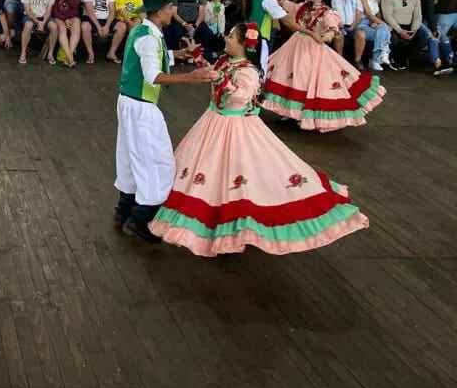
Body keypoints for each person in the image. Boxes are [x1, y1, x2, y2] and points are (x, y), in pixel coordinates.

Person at [148, 23, 369, 255]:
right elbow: (214, 74)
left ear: (243, 44)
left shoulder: (249, 71)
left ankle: (232, 228)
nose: (227, 38)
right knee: (209, 174)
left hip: (233, 126)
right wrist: (198, 58)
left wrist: (220, 80)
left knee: (238, 173)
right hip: (214, 122)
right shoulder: (226, 61)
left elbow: (240, 97)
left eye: (232, 36)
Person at [113, 0, 215, 242]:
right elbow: (152, 75)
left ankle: (123, 211)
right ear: (159, 12)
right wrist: (191, 78)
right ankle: (141, 220)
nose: (174, 11)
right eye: (171, 7)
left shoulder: (143, 31)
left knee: (129, 157)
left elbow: (150, 59)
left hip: (129, 102)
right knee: (157, 162)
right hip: (141, 107)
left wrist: (179, 55)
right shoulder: (149, 38)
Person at [262, 0, 385, 131]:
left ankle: (300, 113)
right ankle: (290, 111)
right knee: (290, 76)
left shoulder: (327, 12)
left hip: (311, 47)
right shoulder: (304, 6)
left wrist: (327, 35)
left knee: (304, 78)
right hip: (296, 44)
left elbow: (333, 29)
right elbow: (289, 5)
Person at [19, 0, 57, 65]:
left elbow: (49, 10)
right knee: (28, 25)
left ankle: (50, 53)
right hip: (31, 16)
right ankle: (23, 53)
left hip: (44, 17)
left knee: (54, 26)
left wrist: (43, 22)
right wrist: (37, 22)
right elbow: (27, 10)